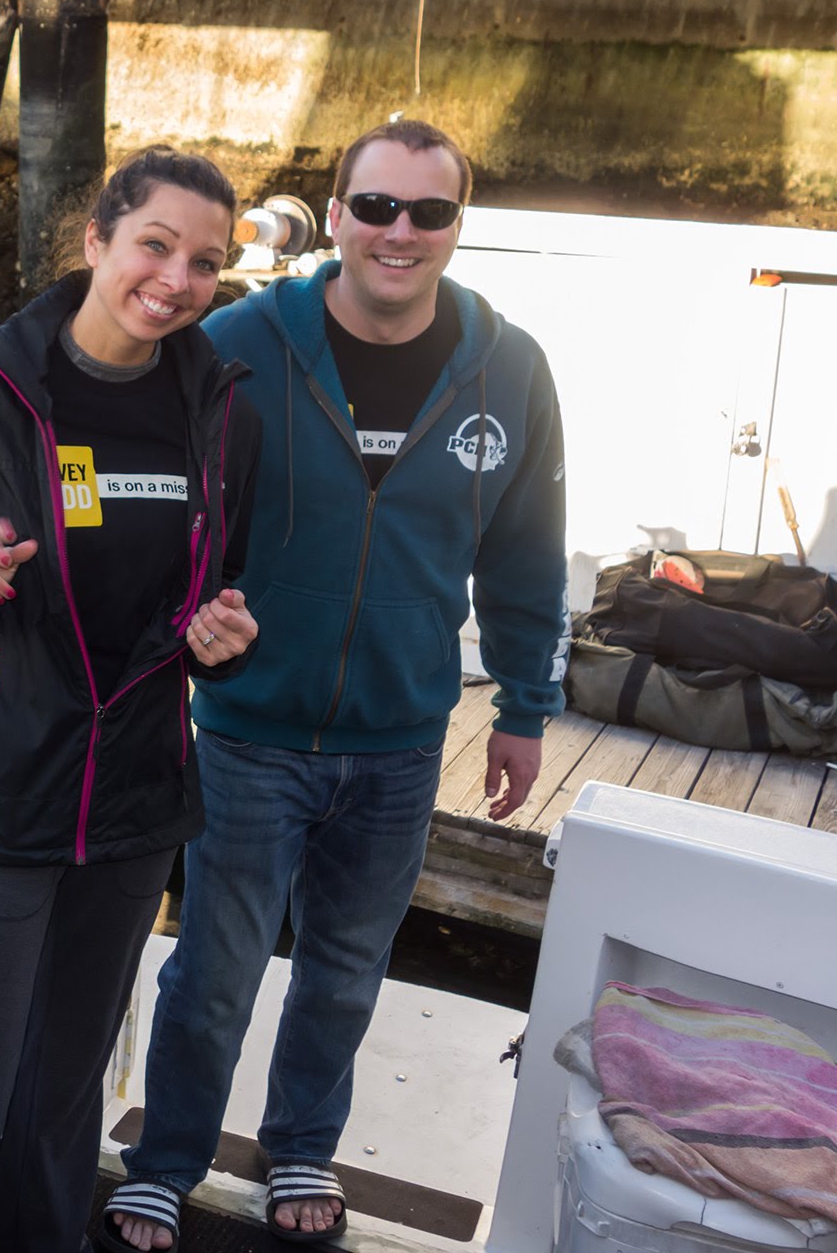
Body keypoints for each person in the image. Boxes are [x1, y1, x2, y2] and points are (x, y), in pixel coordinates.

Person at [104, 119, 568, 1248]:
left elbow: (526, 554)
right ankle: (167, 1159)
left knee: (347, 971)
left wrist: (523, 707)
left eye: (428, 211)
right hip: (248, 729)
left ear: (459, 225)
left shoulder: (511, 368)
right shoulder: (239, 340)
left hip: (402, 742)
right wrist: (179, 618)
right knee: (215, 970)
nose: (399, 232)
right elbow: (158, 503)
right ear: (336, 214)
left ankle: (302, 1145)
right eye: (375, 206)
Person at [0, 146, 264, 1253]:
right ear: (96, 239)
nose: (176, 279)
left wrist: (222, 644)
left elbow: (219, 590)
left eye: (204, 262)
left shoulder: (224, 414)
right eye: (155, 245)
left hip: (136, 804)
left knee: (62, 1092)